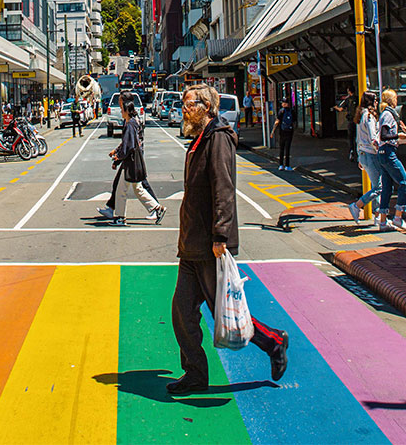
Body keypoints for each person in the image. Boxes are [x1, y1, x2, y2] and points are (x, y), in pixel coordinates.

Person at [169, 83, 289, 395]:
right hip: (191, 245)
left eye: (188, 103)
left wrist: (220, 235)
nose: (184, 108)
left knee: (227, 312)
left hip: (209, 243)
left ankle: (274, 342)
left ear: (205, 106)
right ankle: (195, 373)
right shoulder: (198, 138)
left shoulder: (217, 138)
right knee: (182, 313)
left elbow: (223, 187)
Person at [99, 92, 166, 225]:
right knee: (138, 188)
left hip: (131, 161)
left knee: (121, 190)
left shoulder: (130, 125)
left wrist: (118, 157)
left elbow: (128, 145)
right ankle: (157, 208)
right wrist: (117, 153)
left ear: (126, 109)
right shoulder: (133, 122)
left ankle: (119, 217)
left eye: (122, 109)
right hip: (134, 159)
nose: (121, 111)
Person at [377, 89, 406, 231]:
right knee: (405, 183)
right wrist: (399, 136)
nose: (397, 100)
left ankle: (383, 221)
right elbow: (384, 136)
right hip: (388, 152)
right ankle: (398, 217)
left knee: (387, 187)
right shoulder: (388, 114)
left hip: (383, 153)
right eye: (396, 98)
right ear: (391, 100)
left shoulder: (387, 114)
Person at [346, 92, 383, 227]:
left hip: (363, 153)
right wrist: (379, 151)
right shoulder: (369, 116)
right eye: (376, 100)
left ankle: (378, 216)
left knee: (376, 185)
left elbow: (358, 138)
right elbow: (373, 138)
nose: (377, 102)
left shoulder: (361, 115)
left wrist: (359, 156)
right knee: (379, 187)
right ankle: (357, 205)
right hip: (370, 153)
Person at [271, 98, 295, 171]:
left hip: (282, 132)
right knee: (287, 149)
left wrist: (272, 131)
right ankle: (287, 166)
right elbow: (294, 121)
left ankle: (281, 165)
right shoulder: (292, 111)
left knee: (282, 149)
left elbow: (277, 121)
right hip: (289, 132)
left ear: (285, 104)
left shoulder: (281, 111)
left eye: (283, 103)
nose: (282, 104)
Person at [335, 87, 359, 160]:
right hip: (357, 121)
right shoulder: (357, 98)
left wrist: (335, 107)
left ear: (349, 91)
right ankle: (358, 152)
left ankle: (351, 152)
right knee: (357, 137)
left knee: (351, 138)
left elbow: (340, 109)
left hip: (351, 120)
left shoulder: (347, 99)